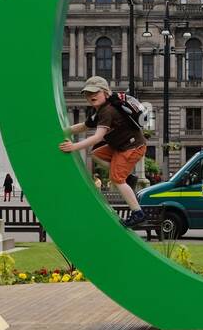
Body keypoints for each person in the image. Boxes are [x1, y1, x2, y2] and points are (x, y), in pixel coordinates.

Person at [60, 76, 148, 228]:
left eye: (95, 92)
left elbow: (97, 137)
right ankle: (129, 177)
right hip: (122, 146)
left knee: (116, 178)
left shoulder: (107, 111)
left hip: (132, 147)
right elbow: (84, 126)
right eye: (87, 93)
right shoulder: (99, 111)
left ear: (106, 93)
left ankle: (137, 213)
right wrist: (65, 131)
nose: (91, 96)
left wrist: (74, 146)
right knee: (96, 154)